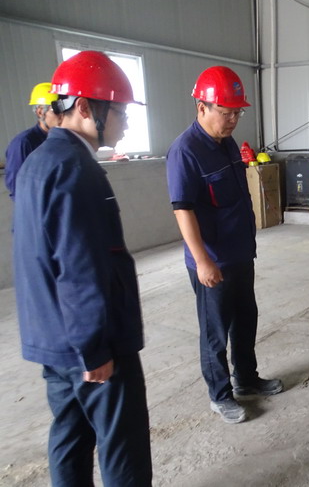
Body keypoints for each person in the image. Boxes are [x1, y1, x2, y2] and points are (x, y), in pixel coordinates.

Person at [12, 51, 152, 486]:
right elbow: (79, 267)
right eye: (121, 111)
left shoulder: (39, 162)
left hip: (52, 338)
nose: (125, 122)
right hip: (92, 343)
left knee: (70, 438)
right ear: (86, 108)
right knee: (122, 446)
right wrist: (94, 348)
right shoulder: (76, 170)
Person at [166, 66, 282, 424]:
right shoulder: (185, 151)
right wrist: (202, 260)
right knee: (215, 331)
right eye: (226, 112)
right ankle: (219, 395)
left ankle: (246, 378)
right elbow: (183, 210)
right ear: (202, 108)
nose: (233, 120)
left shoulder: (228, 143)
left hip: (239, 253)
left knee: (245, 319)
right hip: (212, 260)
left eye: (237, 113)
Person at [4, 82, 63, 199]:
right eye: (56, 109)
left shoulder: (62, 141)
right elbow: (16, 186)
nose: (62, 115)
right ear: (40, 112)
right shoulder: (23, 143)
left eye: (64, 109)